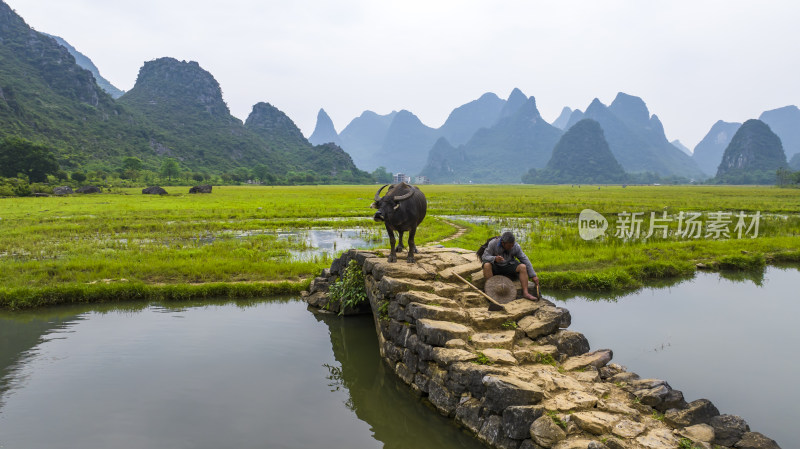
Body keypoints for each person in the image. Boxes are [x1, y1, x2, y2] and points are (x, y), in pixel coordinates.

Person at [481, 231, 539, 300]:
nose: (511, 247)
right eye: (509, 246)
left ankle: (526, 293)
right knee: (486, 265)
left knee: (523, 267)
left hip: (508, 265)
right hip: (495, 267)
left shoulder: (516, 246)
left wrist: (533, 275)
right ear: (503, 243)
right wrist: (494, 258)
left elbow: (524, 259)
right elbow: (484, 257)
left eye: (512, 245)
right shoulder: (493, 243)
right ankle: (491, 292)